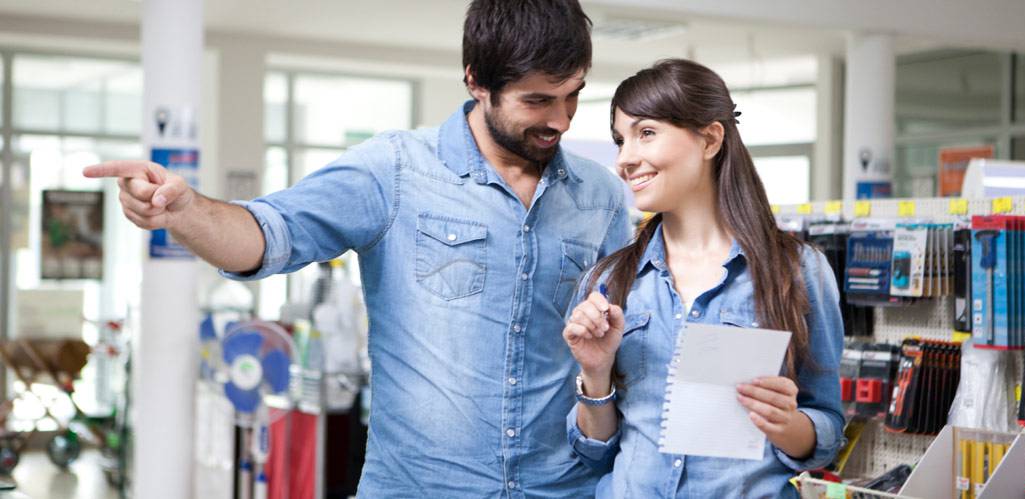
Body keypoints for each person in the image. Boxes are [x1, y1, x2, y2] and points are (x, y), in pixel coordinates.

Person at [85, 1, 631, 496]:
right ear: (476, 82)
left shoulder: (600, 195)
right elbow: (268, 235)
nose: (560, 119)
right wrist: (184, 212)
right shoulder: (394, 170)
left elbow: (621, 347)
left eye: (573, 94)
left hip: (565, 488)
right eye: (537, 100)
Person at [562, 59, 845, 498]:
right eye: (621, 140)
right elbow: (594, 453)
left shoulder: (797, 271)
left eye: (646, 133)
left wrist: (787, 424)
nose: (625, 159)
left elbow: (825, 426)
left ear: (711, 138)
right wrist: (595, 376)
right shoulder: (609, 281)